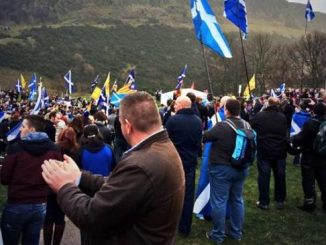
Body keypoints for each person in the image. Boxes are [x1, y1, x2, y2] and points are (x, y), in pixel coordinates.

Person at [41, 92, 185, 244]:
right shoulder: (161, 148)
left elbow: (92, 216)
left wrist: (64, 186)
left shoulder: (141, 164)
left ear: (127, 126)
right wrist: (79, 177)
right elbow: (119, 186)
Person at [0, 115, 62, 245]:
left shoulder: (15, 148)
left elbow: (4, 178)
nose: (20, 130)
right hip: (40, 204)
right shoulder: (54, 149)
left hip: (16, 204)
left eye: (23, 127)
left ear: (32, 129)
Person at [203, 99, 250, 244]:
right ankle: (236, 232)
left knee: (219, 201)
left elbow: (205, 137)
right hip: (241, 168)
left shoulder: (221, 126)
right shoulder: (247, 124)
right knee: (237, 199)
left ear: (226, 110)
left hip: (221, 169)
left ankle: (218, 234)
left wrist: (215, 126)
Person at [166, 95, 202, 235]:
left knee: (170, 193)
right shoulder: (198, 121)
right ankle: (185, 227)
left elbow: (166, 140)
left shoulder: (173, 121)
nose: (174, 106)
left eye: (175, 104)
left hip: (174, 162)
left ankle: (169, 223)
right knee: (188, 194)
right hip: (190, 161)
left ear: (181, 105)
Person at [43, 127, 79, 245]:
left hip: (51, 183)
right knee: (60, 218)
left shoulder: (54, 147)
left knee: (48, 218)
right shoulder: (77, 149)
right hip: (66, 186)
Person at [251, 97, 288, 210]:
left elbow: (251, 126)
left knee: (264, 176)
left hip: (265, 150)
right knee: (280, 176)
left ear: (268, 103)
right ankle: (280, 200)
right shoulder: (282, 117)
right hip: (279, 151)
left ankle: (264, 202)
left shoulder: (260, 116)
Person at [292, 103, 326, 212]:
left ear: (314, 111)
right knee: (323, 179)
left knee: (308, 180)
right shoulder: (324, 123)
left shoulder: (310, 123)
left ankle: (309, 202)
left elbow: (300, 138)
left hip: (309, 155)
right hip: (323, 157)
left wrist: (293, 140)